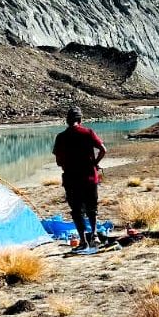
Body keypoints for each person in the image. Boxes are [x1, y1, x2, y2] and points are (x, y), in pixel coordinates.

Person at [52, 106, 106, 250]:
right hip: (89, 178)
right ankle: (94, 236)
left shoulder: (61, 137)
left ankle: (83, 241)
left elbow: (58, 161)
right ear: (80, 120)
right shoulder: (88, 133)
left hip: (71, 179)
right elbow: (103, 150)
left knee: (76, 210)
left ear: (67, 121)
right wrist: (95, 163)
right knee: (92, 208)